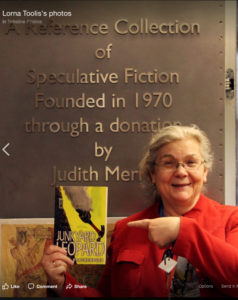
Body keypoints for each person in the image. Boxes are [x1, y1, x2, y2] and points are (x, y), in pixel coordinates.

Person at [41, 125, 238, 297]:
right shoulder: (126, 230)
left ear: (204, 172)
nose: (180, 171)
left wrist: (183, 231)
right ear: (153, 174)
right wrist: (62, 285)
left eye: (191, 162)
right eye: (169, 163)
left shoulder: (232, 220)